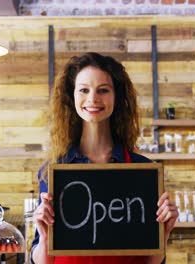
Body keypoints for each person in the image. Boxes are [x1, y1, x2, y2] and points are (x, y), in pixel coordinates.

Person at [31, 52, 178, 264]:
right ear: (71, 97)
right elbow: (41, 261)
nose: (92, 99)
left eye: (103, 90)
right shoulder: (54, 171)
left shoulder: (143, 171)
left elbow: (150, 261)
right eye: (83, 90)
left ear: (116, 97)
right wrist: (44, 236)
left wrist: (162, 235)